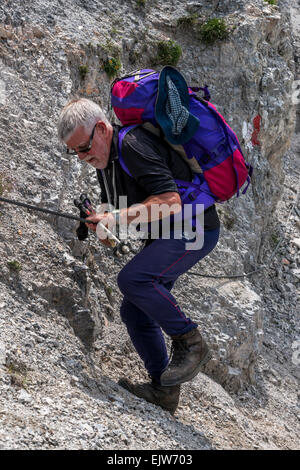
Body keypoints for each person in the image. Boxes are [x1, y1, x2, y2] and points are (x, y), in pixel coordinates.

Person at [57, 98, 220, 415]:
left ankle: (192, 343)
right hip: (168, 234)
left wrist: (113, 218)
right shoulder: (106, 167)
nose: (81, 157)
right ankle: (164, 390)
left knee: (133, 279)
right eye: (74, 152)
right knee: (134, 312)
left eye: (83, 147)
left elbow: (170, 202)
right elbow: (113, 236)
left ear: (102, 129)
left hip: (195, 226)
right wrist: (99, 225)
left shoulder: (132, 145)